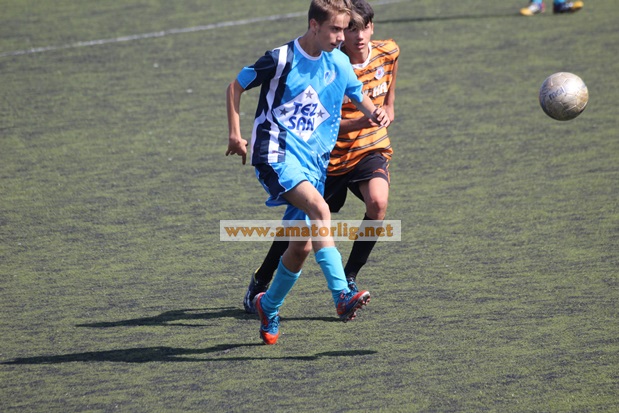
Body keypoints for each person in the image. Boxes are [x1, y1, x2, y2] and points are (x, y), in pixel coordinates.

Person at [226, 0, 391, 345]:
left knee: (299, 248)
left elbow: (358, 96)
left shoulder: (340, 62)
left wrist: (375, 113)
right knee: (320, 209)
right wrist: (235, 134)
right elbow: (236, 86)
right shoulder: (281, 59)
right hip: (275, 155)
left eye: (344, 29)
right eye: (335, 29)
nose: (341, 37)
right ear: (314, 25)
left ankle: (268, 305)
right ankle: (341, 294)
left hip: (313, 164)